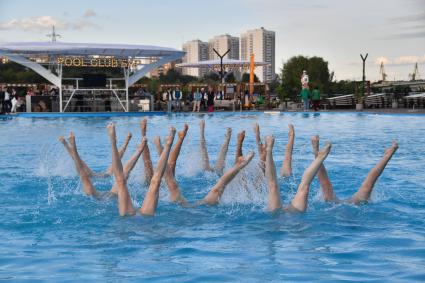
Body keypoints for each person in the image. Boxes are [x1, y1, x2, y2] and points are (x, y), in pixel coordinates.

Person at [310, 135, 399, 204]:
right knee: (368, 184)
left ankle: (317, 153)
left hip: (335, 205)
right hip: (354, 204)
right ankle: (387, 155)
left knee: (326, 186)